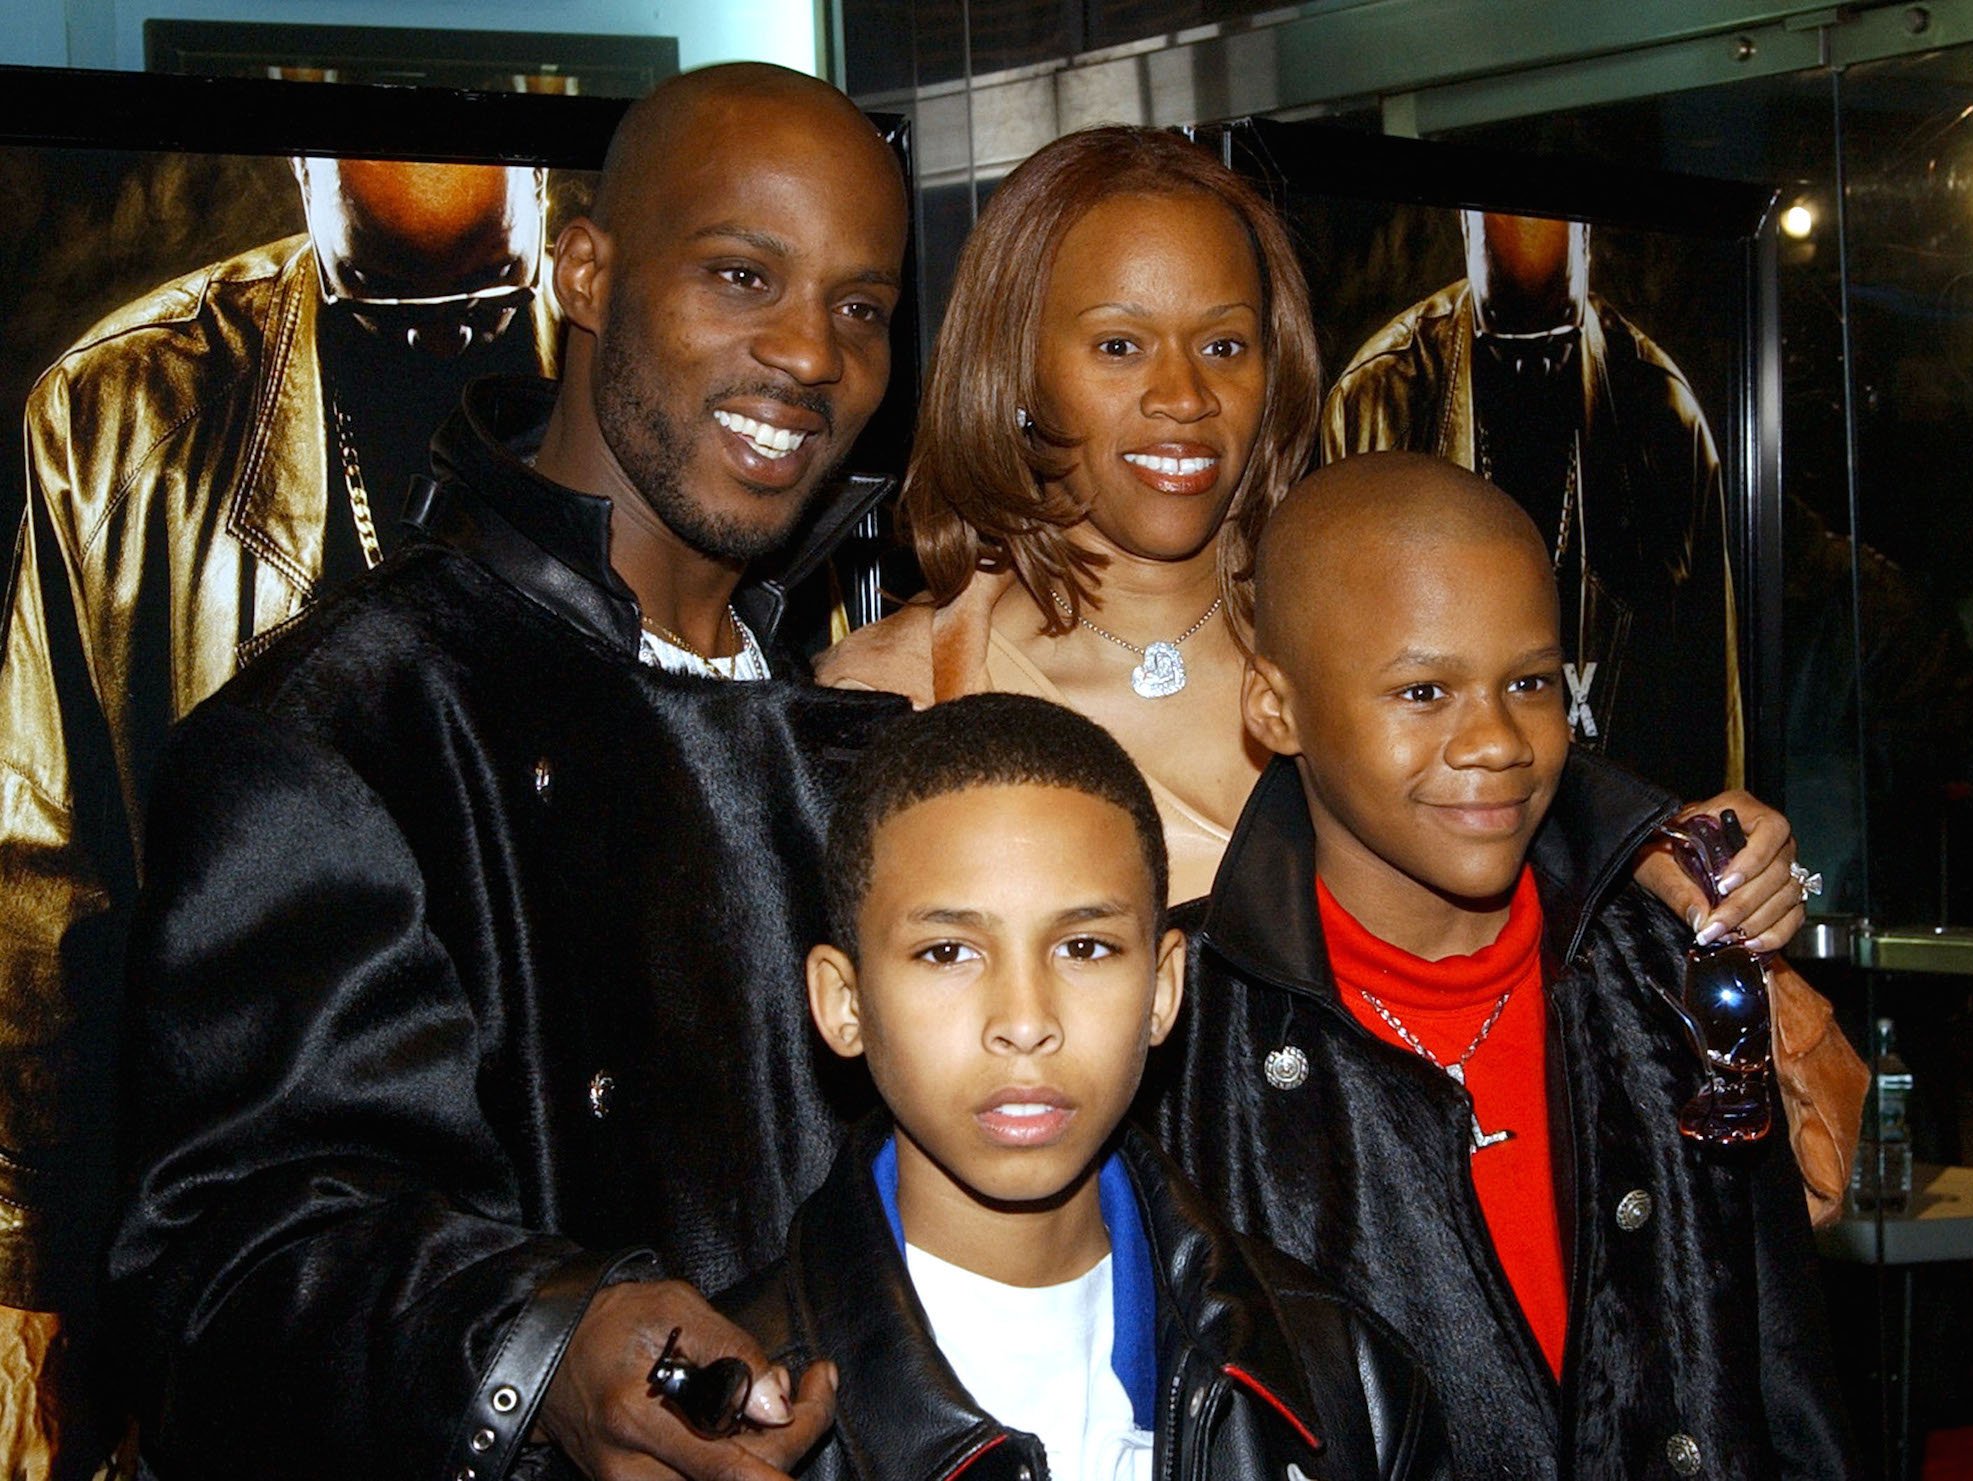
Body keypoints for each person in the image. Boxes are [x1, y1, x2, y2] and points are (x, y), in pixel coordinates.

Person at [815, 126, 1859, 1222]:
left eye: (1225, 346)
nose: (1184, 397)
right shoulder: (889, 703)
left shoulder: (1380, 650)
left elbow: (1753, 1125)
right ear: (1017, 366)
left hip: (1441, 1285)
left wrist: (1675, 868)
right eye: (1120, 347)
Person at [109, 64, 908, 1481]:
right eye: (741, 274)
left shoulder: (878, 736)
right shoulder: (350, 724)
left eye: (862, 306)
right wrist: (536, 1345)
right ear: (587, 269)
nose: (809, 354)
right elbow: (222, 1275)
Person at [1143, 451, 1858, 1479]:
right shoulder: (1179, 1027)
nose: (1496, 741)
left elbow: (1779, 1377)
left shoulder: (1667, 973)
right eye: (1422, 689)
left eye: (1530, 681)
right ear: (1276, 708)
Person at [0, 154, 557, 1472]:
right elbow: (46, 869)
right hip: (255, 1239)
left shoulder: (651, 357)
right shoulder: (122, 412)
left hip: (561, 1228)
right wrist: (40, 1272)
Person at [716, 692, 1445, 1480]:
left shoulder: (1337, 1380)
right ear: (845, 1002)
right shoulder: (727, 1425)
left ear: (1164, 988)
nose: (1026, 1021)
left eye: (1086, 947)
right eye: (947, 952)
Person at [1322, 210, 1739, 801]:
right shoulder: (1381, 396)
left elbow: (1705, 712)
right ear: (1465, 230)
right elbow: (1331, 671)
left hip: (1619, 844)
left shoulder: (1660, 410)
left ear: (1587, 238)